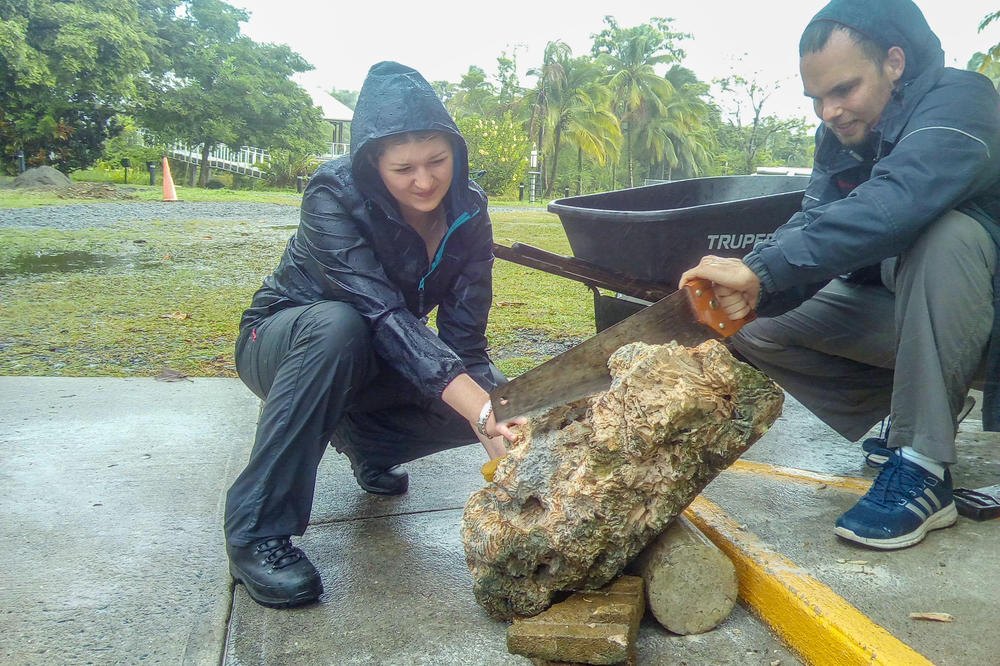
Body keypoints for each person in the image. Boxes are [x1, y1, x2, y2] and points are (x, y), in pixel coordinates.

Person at [680, 0, 1000, 550]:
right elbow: (814, 217)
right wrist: (754, 276)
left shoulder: (963, 101)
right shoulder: (844, 135)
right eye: (817, 99)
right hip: (911, 315)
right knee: (753, 323)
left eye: (843, 90)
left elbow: (900, 199)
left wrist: (764, 267)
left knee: (944, 233)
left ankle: (923, 467)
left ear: (894, 63)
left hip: (984, 322)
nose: (829, 112)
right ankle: (911, 414)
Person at [224, 61, 525, 608]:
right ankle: (256, 529)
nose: (425, 180)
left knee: (501, 400)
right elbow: (379, 312)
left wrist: (504, 437)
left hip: (374, 355)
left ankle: (366, 442)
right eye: (403, 168)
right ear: (372, 164)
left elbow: (466, 343)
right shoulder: (332, 196)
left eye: (437, 160)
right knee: (341, 327)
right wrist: (477, 406)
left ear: (456, 152)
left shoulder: (470, 211)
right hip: (287, 341)